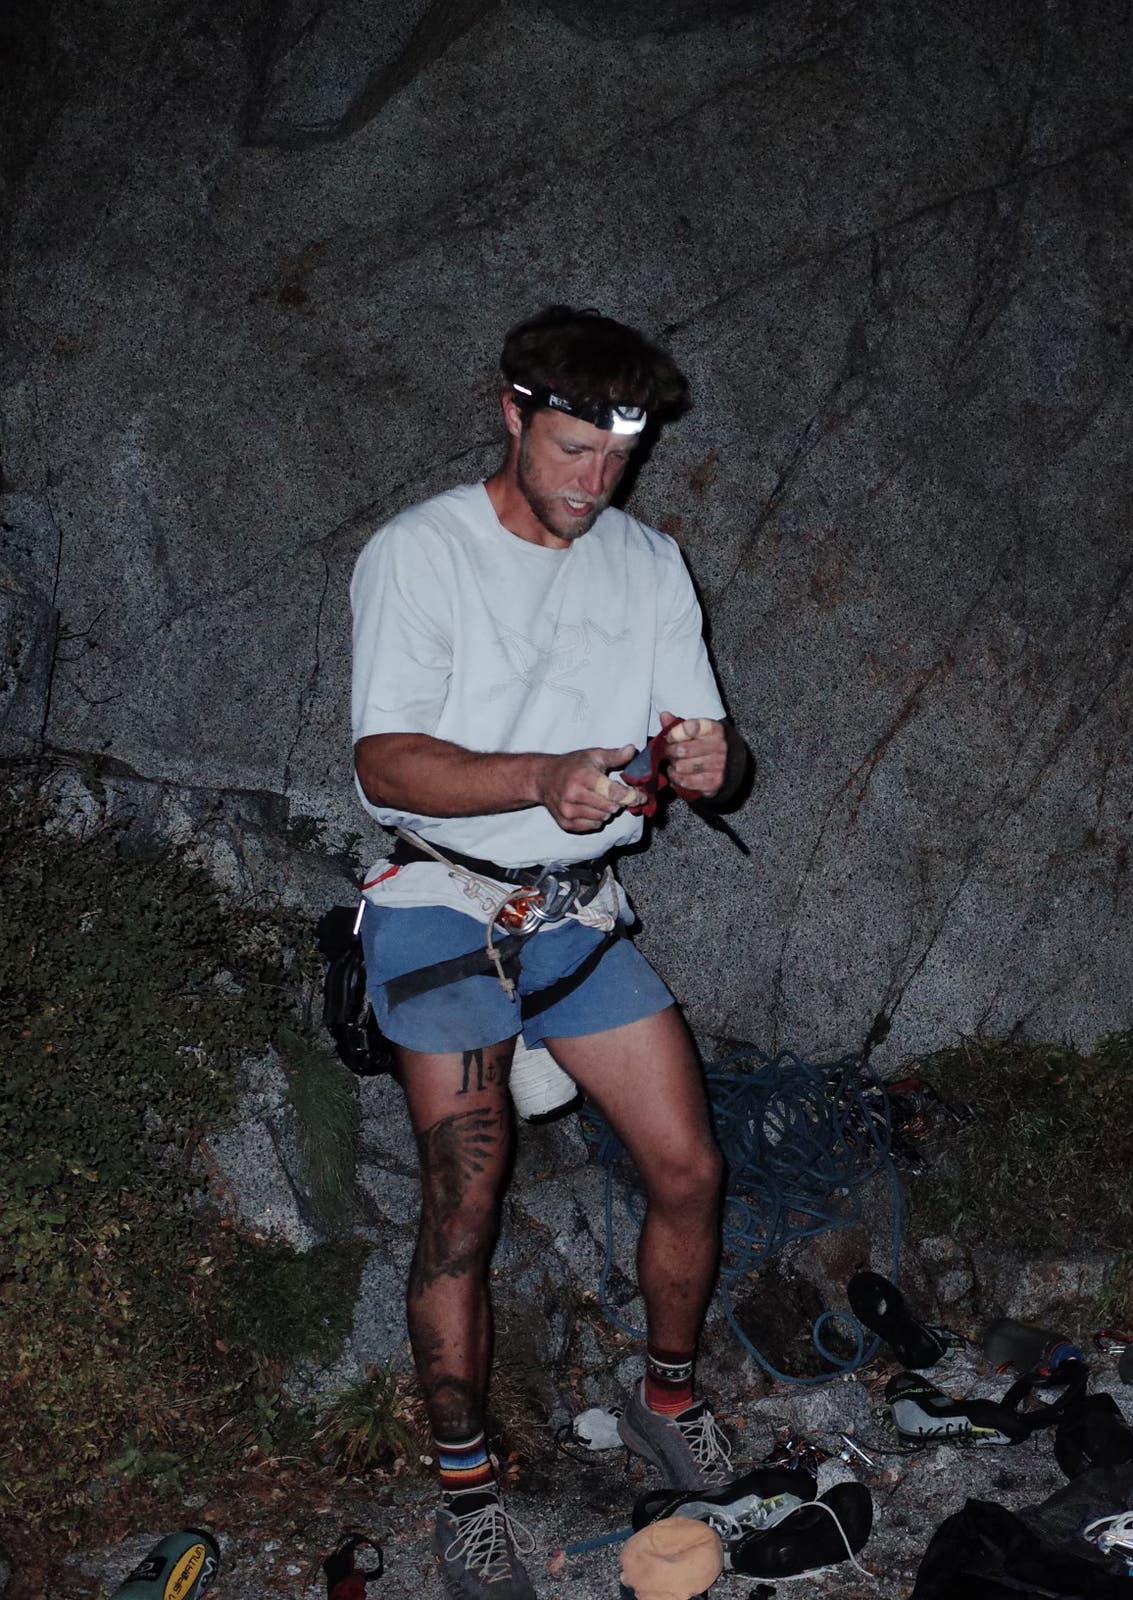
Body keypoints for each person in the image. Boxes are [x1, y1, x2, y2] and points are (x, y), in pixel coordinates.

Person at [349, 306, 748, 1599]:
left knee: (689, 1166)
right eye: (574, 449)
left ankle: (667, 1397)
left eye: (619, 458)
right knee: (463, 1204)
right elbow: (384, 761)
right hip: (443, 904)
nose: (596, 481)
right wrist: (539, 777)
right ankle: (468, 1493)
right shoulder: (421, 553)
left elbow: (708, 741)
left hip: (574, 915)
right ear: (512, 413)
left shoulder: (650, 562)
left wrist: (713, 761)